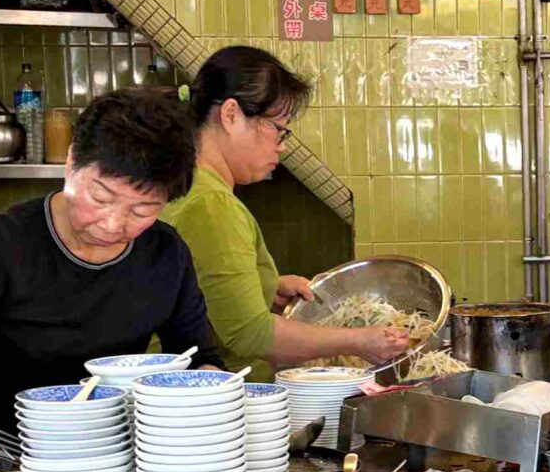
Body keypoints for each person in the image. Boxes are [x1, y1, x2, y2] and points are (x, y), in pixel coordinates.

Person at [0, 87, 221, 461]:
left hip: (113, 454)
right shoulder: (0, 245)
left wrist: (209, 398)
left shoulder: (165, 254)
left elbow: (199, 358)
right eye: (101, 198)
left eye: (141, 212)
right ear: (72, 160)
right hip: (0, 455)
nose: (112, 223)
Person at [162, 46, 410, 380]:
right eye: (279, 128)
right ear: (231, 115)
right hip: (214, 401)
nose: (281, 145)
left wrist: (265, 286)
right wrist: (358, 340)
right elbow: (252, 335)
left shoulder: (193, 187)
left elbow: (198, 290)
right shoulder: (212, 203)